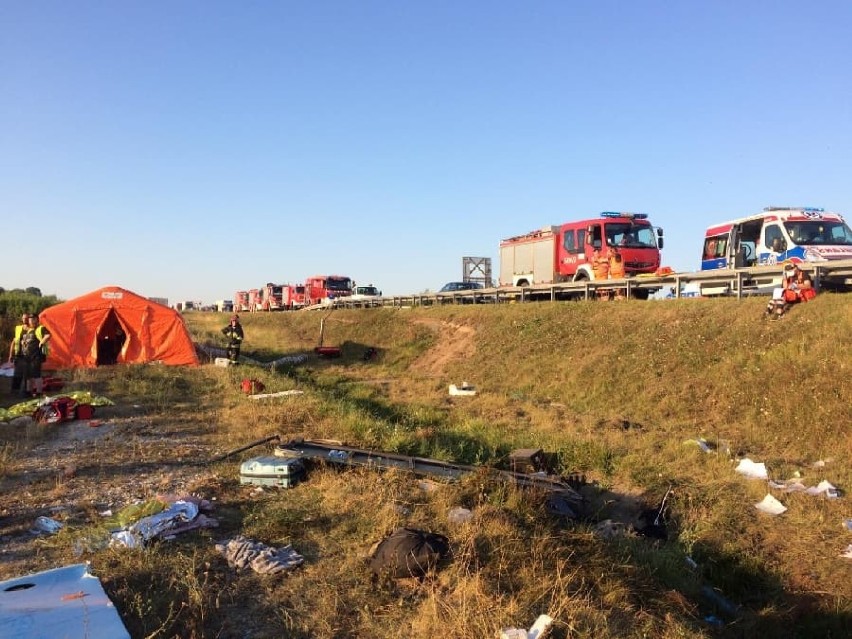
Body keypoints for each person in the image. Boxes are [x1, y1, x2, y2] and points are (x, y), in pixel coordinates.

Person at [20, 314, 50, 397]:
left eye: (32, 319)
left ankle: (39, 392)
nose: (30, 321)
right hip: (27, 356)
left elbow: (48, 335)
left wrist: (41, 342)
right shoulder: (29, 330)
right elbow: (25, 339)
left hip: (36, 355)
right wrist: (23, 342)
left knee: (36, 375)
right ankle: (29, 392)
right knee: (28, 376)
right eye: (30, 319)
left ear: (37, 320)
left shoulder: (41, 328)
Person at [7, 312, 30, 393]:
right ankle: (15, 390)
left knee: (27, 374)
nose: (25, 320)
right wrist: (10, 354)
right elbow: (14, 341)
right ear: (22, 319)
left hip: (28, 354)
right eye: (24, 318)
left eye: (26, 318)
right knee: (17, 373)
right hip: (18, 354)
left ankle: (26, 391)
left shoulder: (33, 329)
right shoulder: (18, 328)